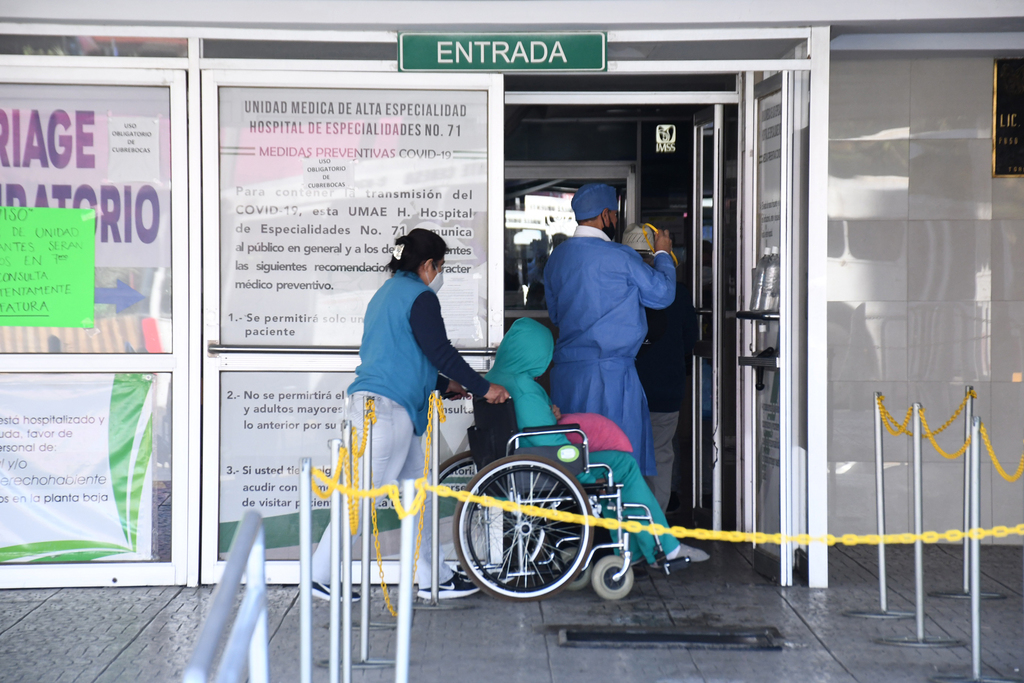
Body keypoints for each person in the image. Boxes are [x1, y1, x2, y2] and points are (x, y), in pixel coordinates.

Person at [312, 228, 510, 601]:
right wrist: (484, 387)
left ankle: (434, 577)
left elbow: (402, 355)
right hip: (384, 413)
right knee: (362, 497)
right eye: (441, 267)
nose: (440, 275)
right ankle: (320, 574)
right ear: (427, 264)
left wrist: (446, 385)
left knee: (421, 496)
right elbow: (441, 351)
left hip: (391, 410)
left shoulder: (386, 294)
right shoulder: (420, 297)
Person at [485, 318, 708, 564]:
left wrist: (550, 413)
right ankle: (659, 547)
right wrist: (588, 479)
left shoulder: (497, 379)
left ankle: (640, 549)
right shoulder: (524, 389)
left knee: (618, 464)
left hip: (521, 462)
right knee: (622, 466)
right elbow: (553, 443)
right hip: (544, 465)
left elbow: (535, 426)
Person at [543, 183, 675, 478]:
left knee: (573, 463)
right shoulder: (621, 256)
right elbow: (662, 294)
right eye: (614, 215)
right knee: (615, 463)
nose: (615, 220)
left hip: (567, 378)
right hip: (611, 377)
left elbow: (555, 314)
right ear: (605, 215)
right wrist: (663, 254)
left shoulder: (557, 259)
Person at [625, 224, 700, 512]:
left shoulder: (620, 290)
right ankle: (655, 521)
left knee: (625, 453)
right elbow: (689, 340)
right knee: (660, 453)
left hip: (626, 387)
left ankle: (628, 518)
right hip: (666, 386)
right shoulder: (678, 293)